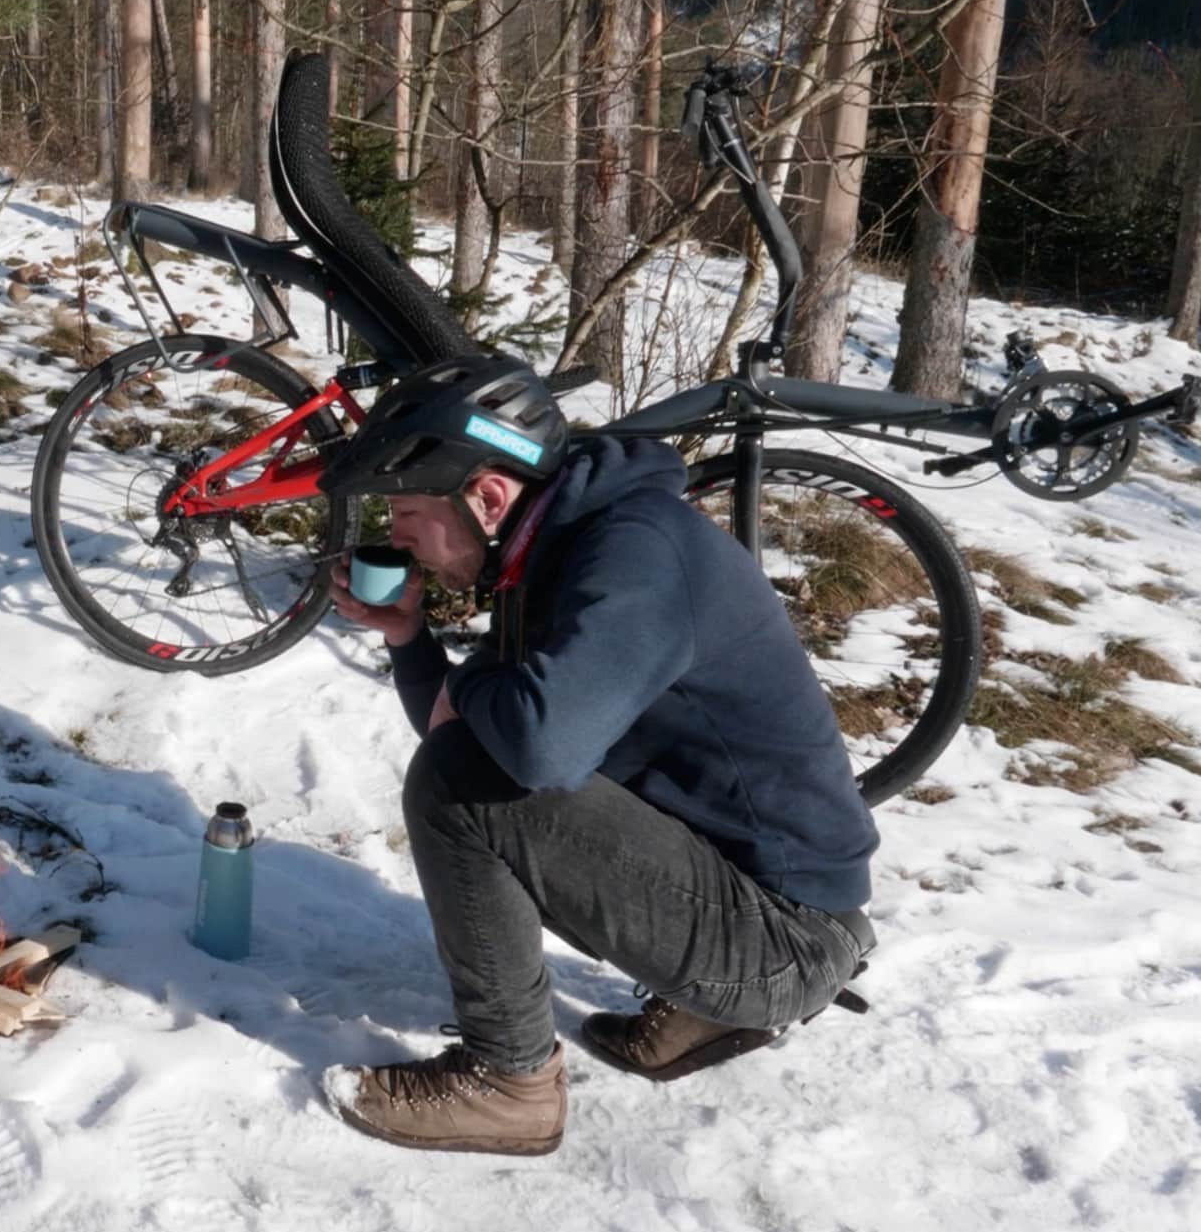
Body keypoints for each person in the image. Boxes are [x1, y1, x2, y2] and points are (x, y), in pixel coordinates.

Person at [311, 355, 876, 1157]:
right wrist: (409, 638)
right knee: (471, 766)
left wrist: (473, 697)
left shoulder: (635, 557)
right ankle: (710, 1005)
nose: (395, 537)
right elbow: (468, 731)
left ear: (488, 496)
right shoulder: (551, 551)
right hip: (757, 901)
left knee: (463, 784)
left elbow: (528, 752)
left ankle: (509, 1082)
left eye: (405, 510)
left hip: (787, 937)